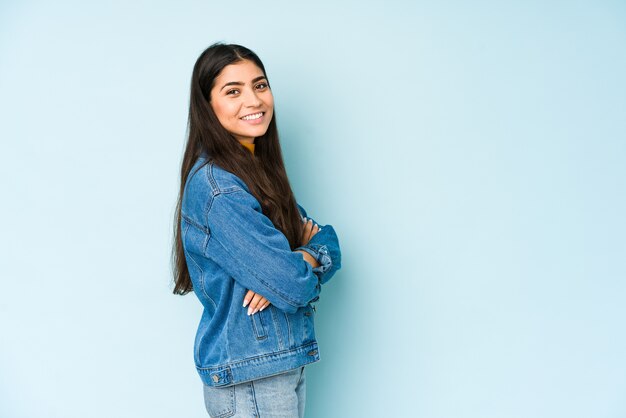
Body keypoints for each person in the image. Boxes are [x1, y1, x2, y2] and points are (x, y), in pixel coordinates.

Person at [171, 42, 342, 418]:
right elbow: (292, 284)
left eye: (259, 85)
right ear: (207, 105)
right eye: (233, 91)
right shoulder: (219, 189)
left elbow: (326, 239)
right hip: (253, 374)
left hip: (276, 364)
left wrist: (304, 255)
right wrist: (286, 274)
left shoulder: (253, 172)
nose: (254, 100)